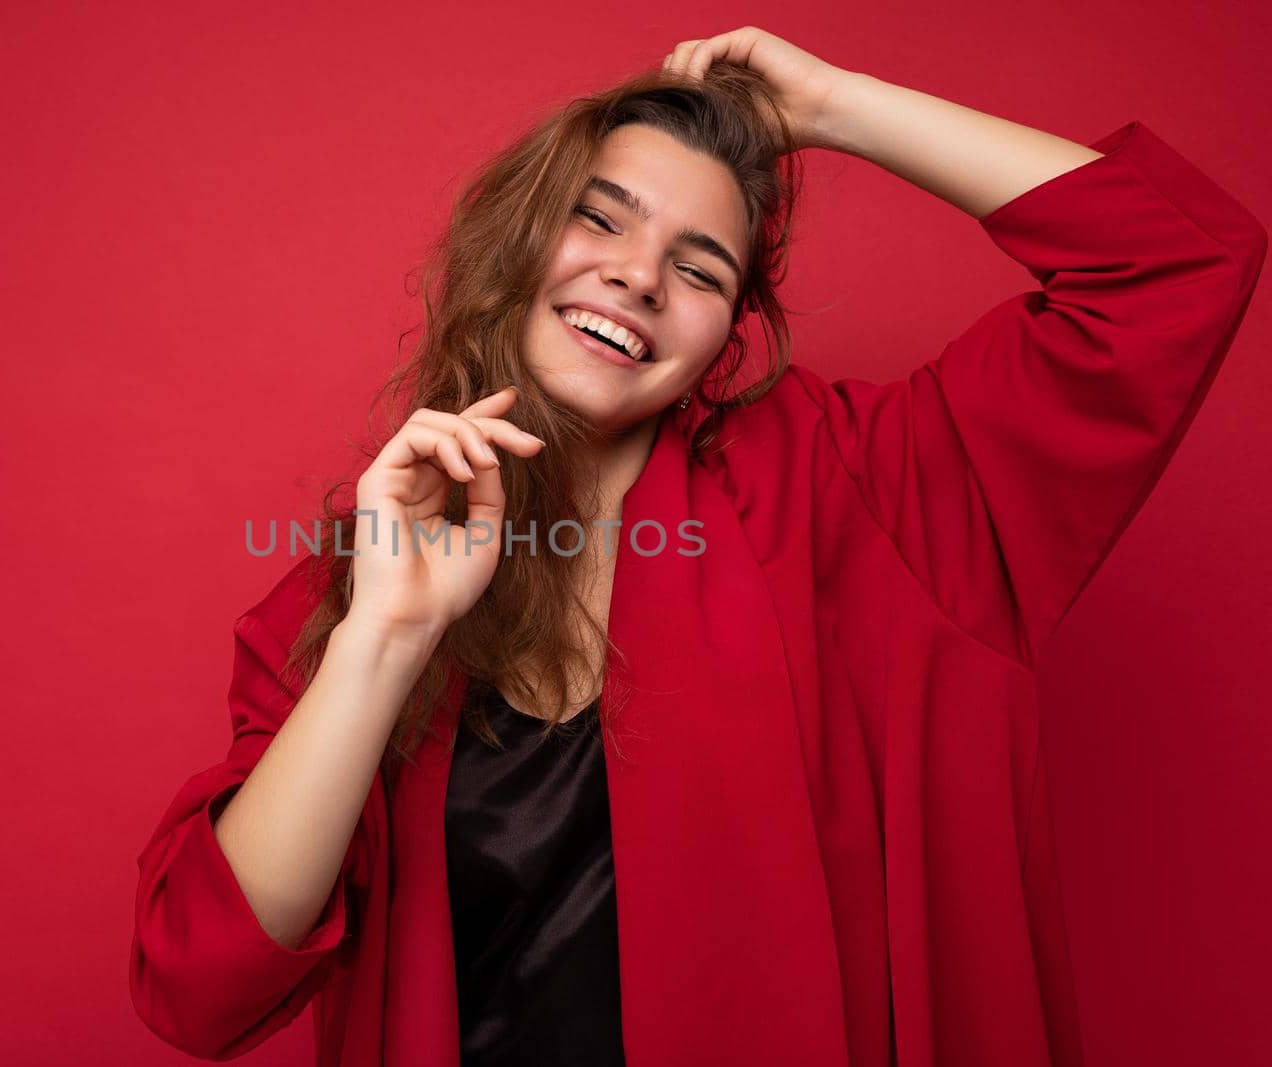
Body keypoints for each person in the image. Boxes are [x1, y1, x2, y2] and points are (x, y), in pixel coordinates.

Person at [129, 27, 1266, 1067]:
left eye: (702, 268)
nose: (638, 275)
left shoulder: (865, 491)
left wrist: (835, 107)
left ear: (727, 332)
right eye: (600, 217)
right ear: (515, 240)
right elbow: (199, 986)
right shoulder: (364, 573)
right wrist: (382, 637)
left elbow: (1175, 264)